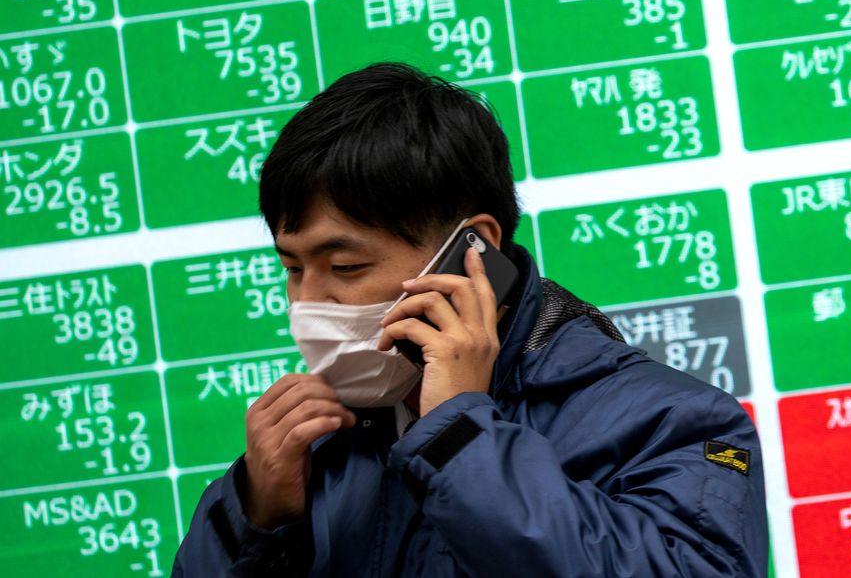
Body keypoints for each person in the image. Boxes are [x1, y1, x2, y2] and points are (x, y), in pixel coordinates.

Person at [173, 62, 767, 576]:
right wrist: (254, 516)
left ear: (472, 252)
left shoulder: (677, 421)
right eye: (293, 268)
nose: (309, 301)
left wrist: (459, 435)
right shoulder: (319, 445)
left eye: (346, 266)